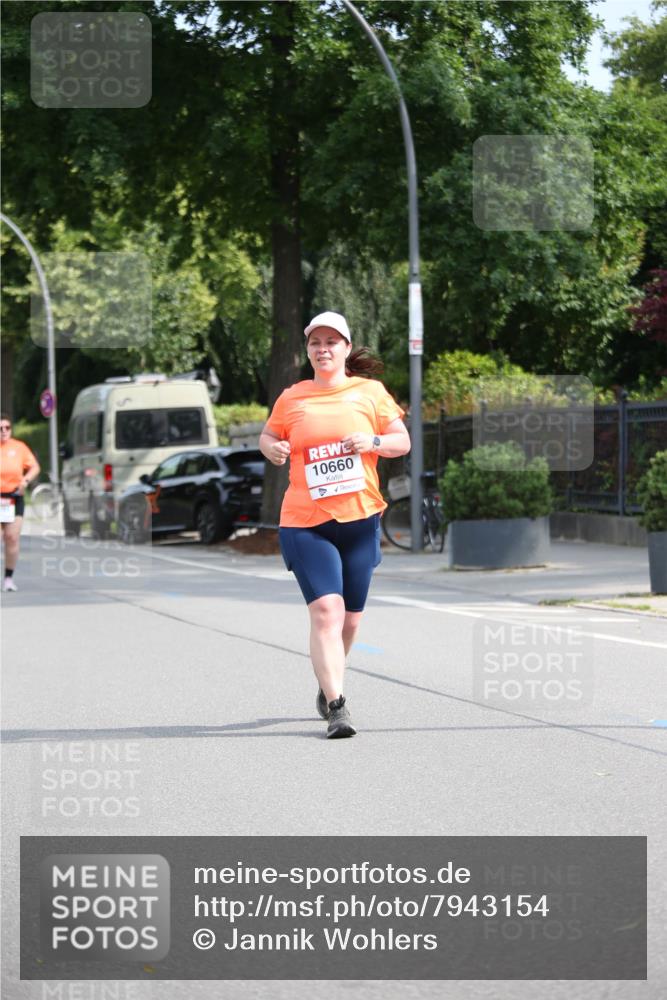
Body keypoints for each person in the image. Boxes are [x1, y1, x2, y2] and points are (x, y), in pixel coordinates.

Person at [259, 312, 411, 739]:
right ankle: (338, 707)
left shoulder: (370, 392)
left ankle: (328, 683)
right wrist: (274, 448)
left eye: (331, 342)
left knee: (351, 622)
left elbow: (402, 440)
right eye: (315, 343)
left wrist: (374, 442)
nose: (322, 349)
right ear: (307, 351)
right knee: (327, 611)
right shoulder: (293, 397)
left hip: (360, 518)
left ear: (346, 348)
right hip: (305, 521)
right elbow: (267, 436)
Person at [0, 413, 41, 592]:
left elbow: (35, 467)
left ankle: (8, 578)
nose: (3, 431)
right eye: (0, 428)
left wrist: (25, 481)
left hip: (13, 498)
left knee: (12, 537)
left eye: (7, 428)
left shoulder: (19, 447)